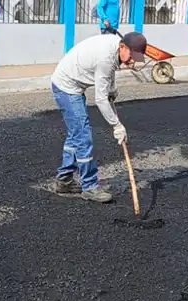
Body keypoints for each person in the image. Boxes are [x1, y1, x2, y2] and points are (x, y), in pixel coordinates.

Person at [49, 31, 149, 202]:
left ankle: (64, 180)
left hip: (71, 82)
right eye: (132, 56)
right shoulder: (106, 58)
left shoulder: (116, 47)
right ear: (123, 47)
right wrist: (116, 125)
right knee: (83, 137)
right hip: (66, 87)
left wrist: (111, 87)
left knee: (76, 136)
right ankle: (89, 187)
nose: (132, 61)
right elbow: (101, 99)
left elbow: (109, 73)